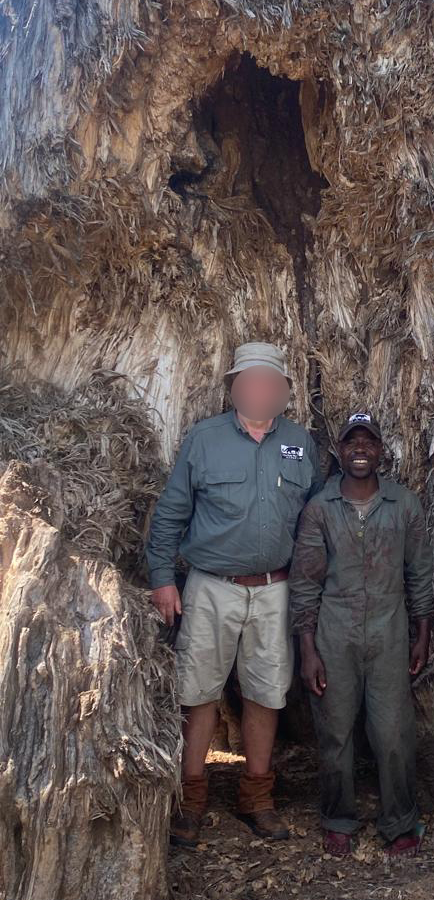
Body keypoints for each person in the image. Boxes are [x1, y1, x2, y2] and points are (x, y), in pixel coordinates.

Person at [146, 341, 323, 847]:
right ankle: (191, 797)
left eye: (270, 382)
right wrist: (162, 578)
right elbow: (172, 512)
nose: (260, 390)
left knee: (267, 692)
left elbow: (316, 519)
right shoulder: (205, 439)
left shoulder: (299, 443)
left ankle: (256, 798)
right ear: (234, 388)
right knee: (198, 691)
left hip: (276, 589)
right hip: (211, 587)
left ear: (284, 390)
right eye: (250, 381)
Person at [289, 411, 434, 857]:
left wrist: (422, 633)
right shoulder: (320, 509)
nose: (359, 449)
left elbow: (419, 573)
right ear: (339, 451)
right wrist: (308, 649)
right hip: (335, 633)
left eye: (368, 442)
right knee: (335, 732)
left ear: (380, 452)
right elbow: (305, 582)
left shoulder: (403, 505)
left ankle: (400, 821)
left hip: (388, 631)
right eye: (351, 442)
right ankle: (338, 819)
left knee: (393, 733)